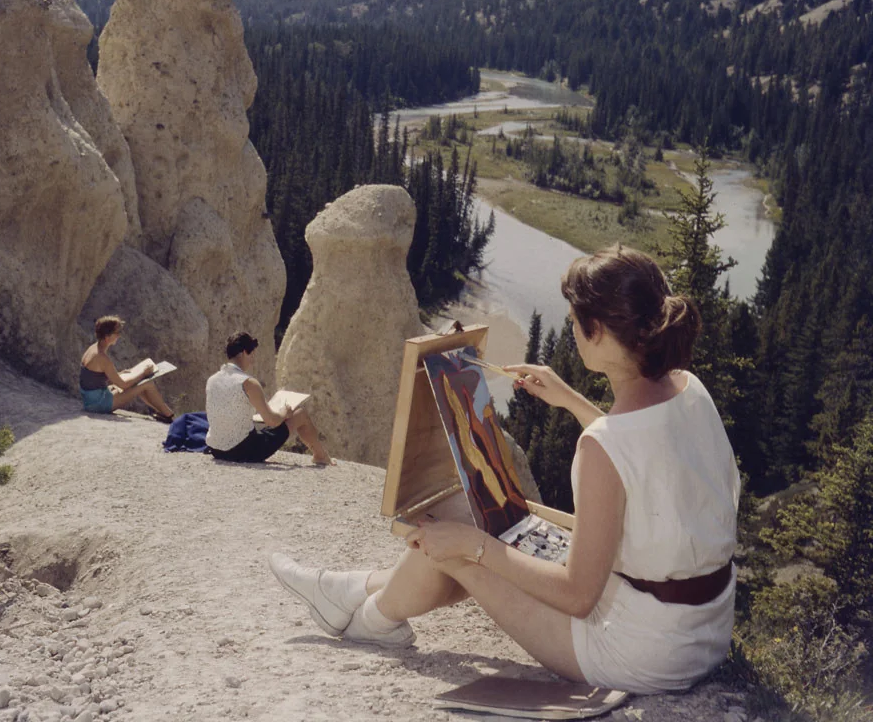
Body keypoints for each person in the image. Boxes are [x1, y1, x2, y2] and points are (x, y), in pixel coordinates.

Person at [269, 245, 740, 694]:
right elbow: (648, 458)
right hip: (703, 632)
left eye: (575, 321)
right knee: (471, 519)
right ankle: (350, 592)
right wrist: (571, 401)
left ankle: (370, 622)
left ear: (596, 330)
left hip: (641, 653)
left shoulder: (603, 448)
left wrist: (476, 547)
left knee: (457, 533)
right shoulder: (689, 388)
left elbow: (578, 596)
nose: (572, 330)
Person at [206, 332, 335, 466]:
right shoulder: (248, 383)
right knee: (300, 414)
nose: (253, 360)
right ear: (245, 352)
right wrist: (284, 412)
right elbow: (272, 421)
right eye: (252, 355)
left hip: (216, 449)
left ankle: (320, 455)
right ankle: (321, 456)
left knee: (261, 425)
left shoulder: (212, 380)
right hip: (242, 451)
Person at [79, 315, 175, 423]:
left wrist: (119, 373)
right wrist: (143, 373)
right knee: (147, 384)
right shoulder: (102, 357)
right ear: (107, 337)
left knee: (137, 382)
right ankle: (168, 414)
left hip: (91, 400)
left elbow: (94, 376)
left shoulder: (93, 349)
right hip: (98, 404)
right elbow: (123, 385)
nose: (119, 335)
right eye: (117, 333)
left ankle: (162, 412)